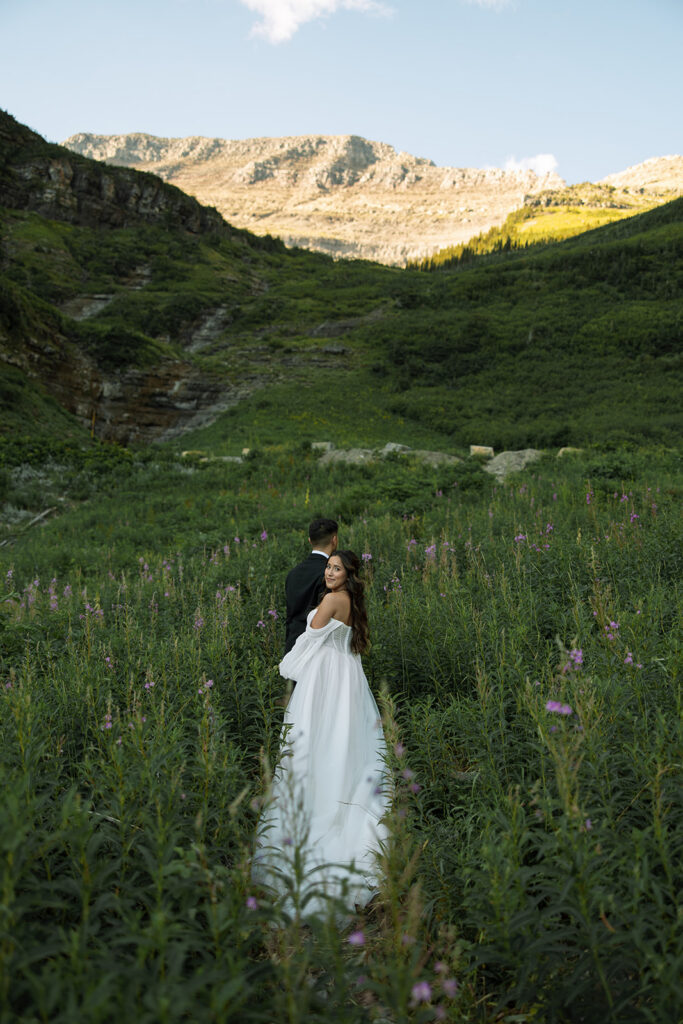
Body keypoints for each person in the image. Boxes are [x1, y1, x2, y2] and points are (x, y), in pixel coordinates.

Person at [253, 550, 389, 918]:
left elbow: (308, 641)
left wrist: (286, 666)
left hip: (324, 681)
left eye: (336, 568)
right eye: (328, 566)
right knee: (344, 744)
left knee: (314, 742)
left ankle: (316, 816)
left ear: (348, 574)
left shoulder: (331, 601)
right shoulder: (353, 601)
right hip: (348, 679)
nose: (329, 572)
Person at [284, 518, 338, 654]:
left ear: (309, 540)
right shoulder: (330, 575)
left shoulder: (293, 573)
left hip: (292, 646)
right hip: (318, 650)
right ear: (334, 540)